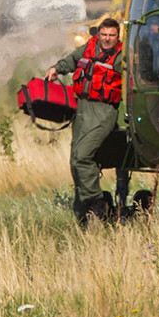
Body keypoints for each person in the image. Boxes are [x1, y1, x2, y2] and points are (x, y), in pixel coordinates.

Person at [46, 17, 124, 225]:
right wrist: (56, 68)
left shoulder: (121, 57)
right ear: (98, 35)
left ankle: (97, 203)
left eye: (111, 36)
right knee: (75, 162)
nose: (107, 39)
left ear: (118, 37)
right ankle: (83, 214)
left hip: (104, 111)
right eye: (104, 35)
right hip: (81, 110)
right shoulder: (89, 48)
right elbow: (71, 61)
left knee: (82, 156)